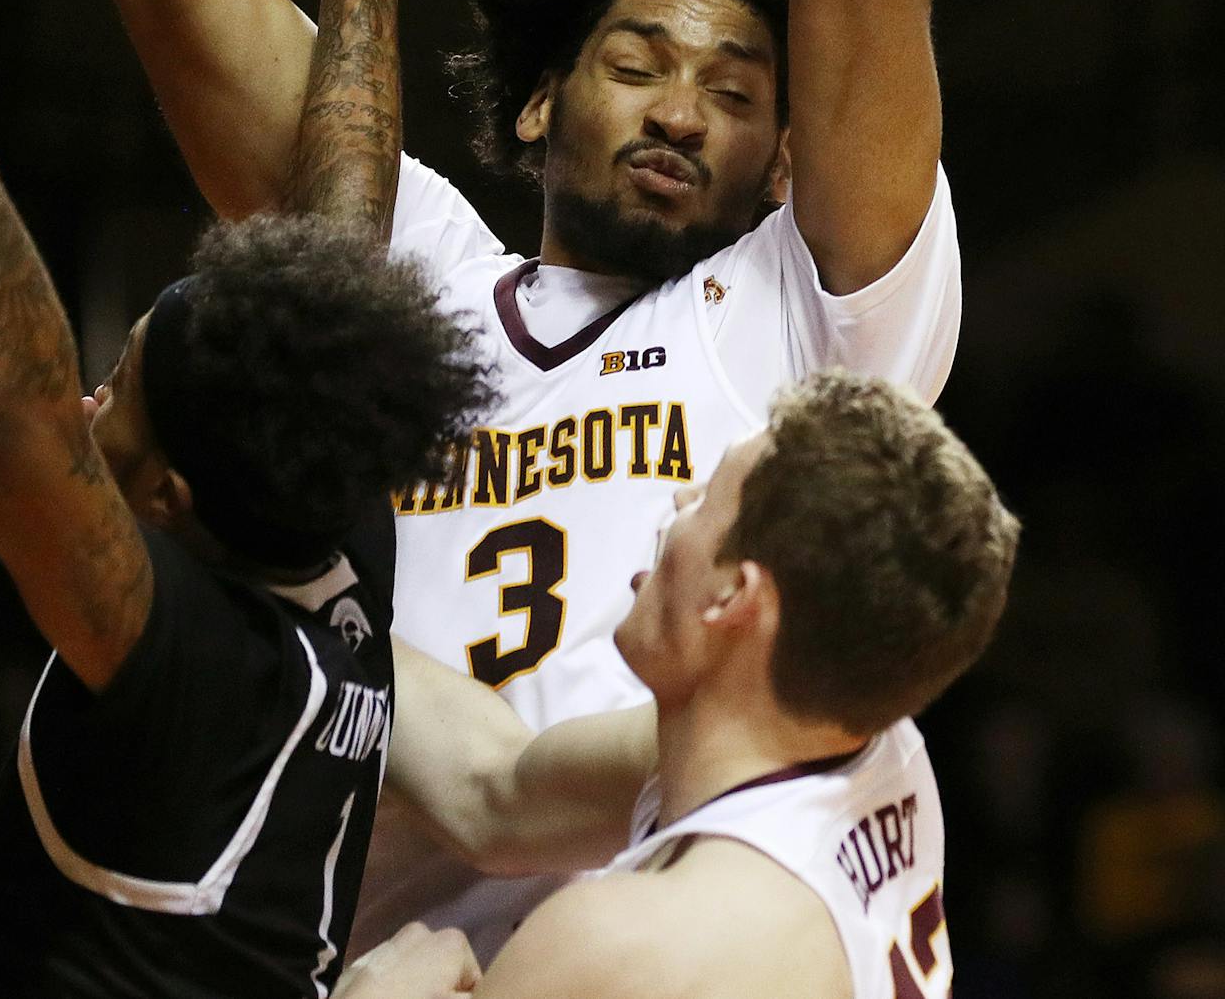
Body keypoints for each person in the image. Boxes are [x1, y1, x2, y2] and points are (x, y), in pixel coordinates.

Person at [99, 0, 958, 954]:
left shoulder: (816, 304)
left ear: (787, 156)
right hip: (375, 956)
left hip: (674, 952)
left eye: (735, 92)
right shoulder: (409, 262)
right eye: (638, 62)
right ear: (545, 92)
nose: (682, 110)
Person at [0, 0, 491, 998]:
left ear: (167, 505)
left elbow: (3, 412)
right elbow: (336, 250)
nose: (88, 393)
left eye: (118, 388)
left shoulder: (186, 671)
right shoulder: (334, 534)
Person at [366, 371, 1021, 999]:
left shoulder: (626, 944)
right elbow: (497, 792)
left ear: (734, 594)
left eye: (707, 497)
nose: (679, 500)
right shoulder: (871, 748)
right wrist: (318, 600)